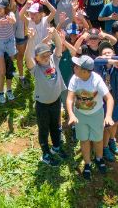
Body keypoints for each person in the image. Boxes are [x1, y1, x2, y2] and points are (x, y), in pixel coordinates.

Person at [67, 54, 116, 179]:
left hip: (96, 114)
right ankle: (87, 164)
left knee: (98, 139)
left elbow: (109, 98)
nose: (74, 68)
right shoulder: (74, 79)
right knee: (84, 140)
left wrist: (108, 116)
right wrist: (71, 114)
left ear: (84, 71)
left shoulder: (96, 80)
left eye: (77, 66)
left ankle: (99, 159)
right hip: (80, 115)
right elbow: (69, 99)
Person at [26, 26, 68, 166]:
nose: (45, 57)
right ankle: (45, 153)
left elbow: (59, 47)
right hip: (42, 105)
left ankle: (56, 147)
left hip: (56, 101)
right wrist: (31, 40)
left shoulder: (53, 61)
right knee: (43, 129)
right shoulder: (36, 69)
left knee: (55, 126)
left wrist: (55, 33)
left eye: (46, 54)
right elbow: (27, 57)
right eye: (41, 55)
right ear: (36, 58)